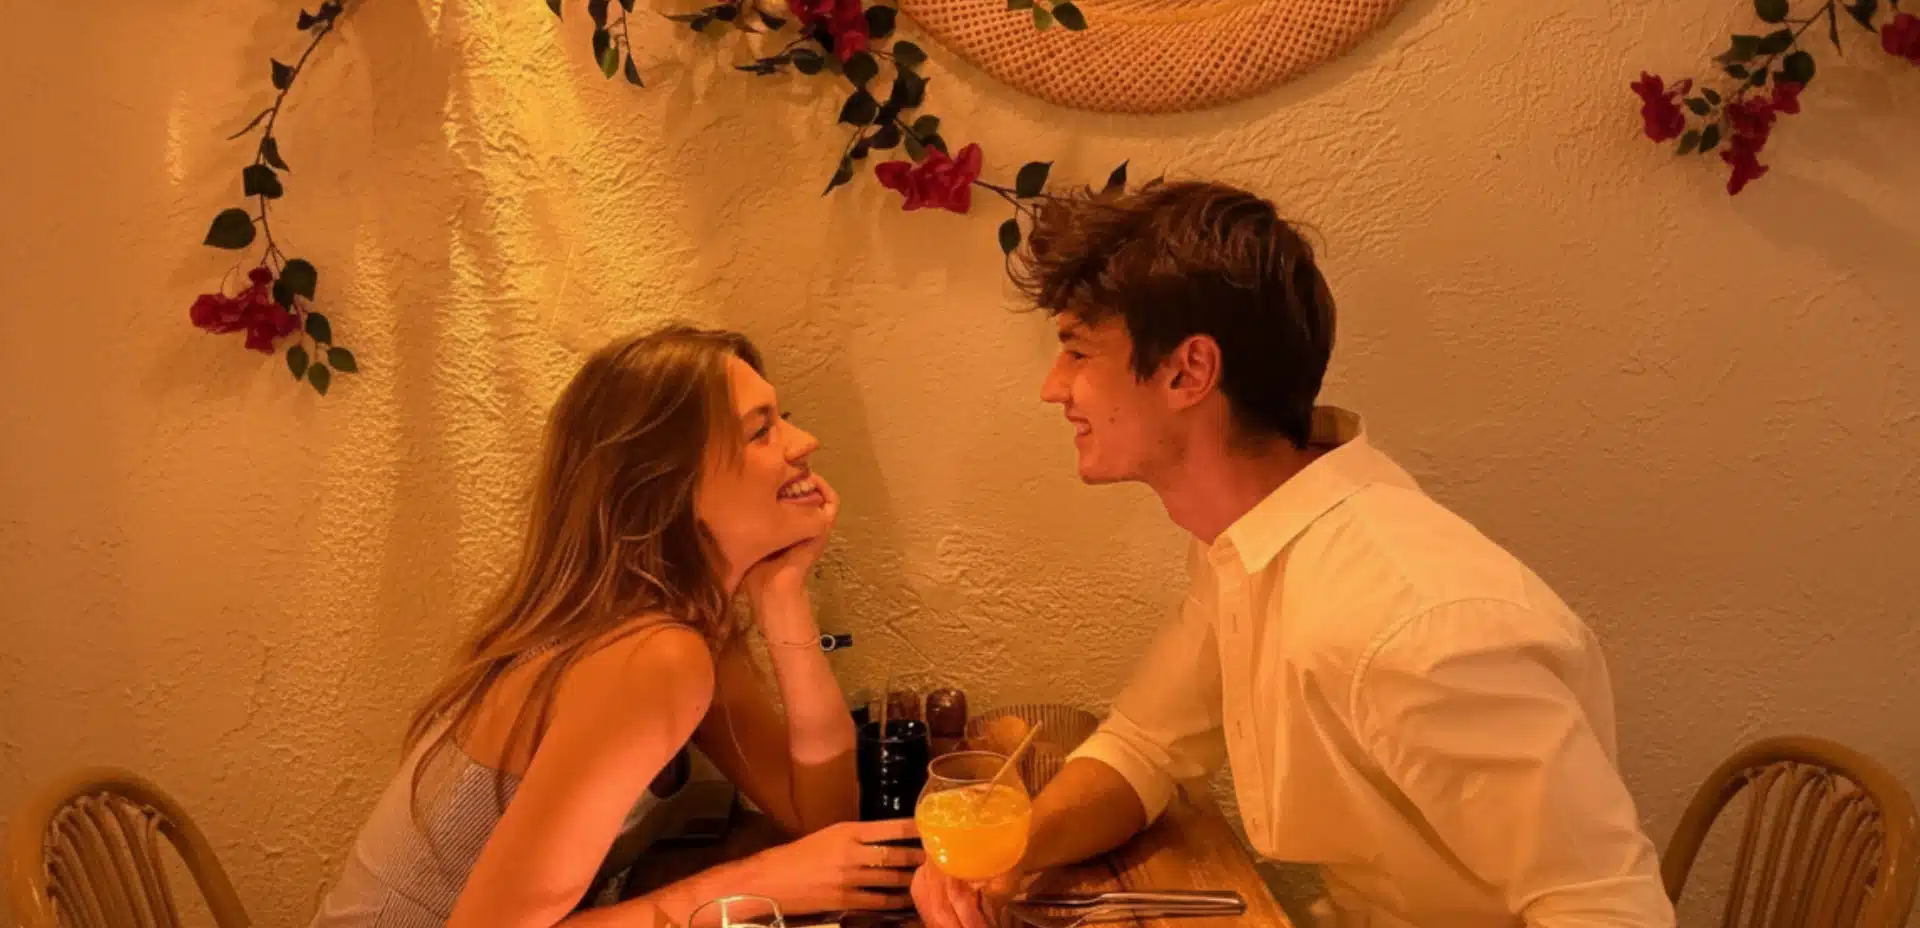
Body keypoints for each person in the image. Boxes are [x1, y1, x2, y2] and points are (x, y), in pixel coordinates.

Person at [912, 182, 1676, 928]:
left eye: (1076, 351)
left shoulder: (1415, 624)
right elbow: (1145, 746)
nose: (1055, 388)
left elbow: (1610, 907)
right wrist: (1009, 854)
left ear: (1188, 372)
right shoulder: (1250, 542)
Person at [312, 325, 922, 928]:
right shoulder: (650, 658)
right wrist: (755, 883)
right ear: (667, 486)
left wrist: (782, 594)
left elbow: (820, 824)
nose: (804, 441)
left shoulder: (681, 626)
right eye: (762, 430)